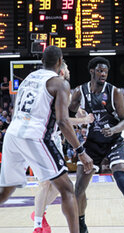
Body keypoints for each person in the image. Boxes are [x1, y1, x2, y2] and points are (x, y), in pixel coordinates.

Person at [0, 46, 93, 233]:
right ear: (60, 62)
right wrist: (81, 152)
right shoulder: (60, 83)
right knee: (67, 189)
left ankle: (38, 219)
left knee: (5, 191)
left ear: (43, 61)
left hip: (12, 134)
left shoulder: (27, 78)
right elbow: (62, 121)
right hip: (35, 137)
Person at [68, 57, 124, 233]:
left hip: (113, 141)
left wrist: (113, 130)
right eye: (100, 70)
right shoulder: (79, 92)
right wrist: (81, 118)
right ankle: (82, 224)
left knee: (122, 180)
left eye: (105, 71)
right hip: (92, 143)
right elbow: (67, 118)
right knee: (79, 188)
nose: (103, 73)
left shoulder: (114, 92)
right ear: (92, 71)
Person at [31, 61, 95, 233]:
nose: (68, 71)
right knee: (48, 184)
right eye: (66, 68)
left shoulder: (57, 89)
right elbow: (63, 122)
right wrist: (83, 120)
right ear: (60, 71)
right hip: (44, 140)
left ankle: (39, 213)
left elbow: (65, 111)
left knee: (56, 186)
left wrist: (79, 109)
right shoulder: (56, 86)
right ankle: (37, 221)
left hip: (51, 141)